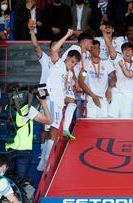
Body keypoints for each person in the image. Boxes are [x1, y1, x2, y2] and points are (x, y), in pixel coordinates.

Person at [28, 19, 61, 172]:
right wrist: (31, 31)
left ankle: (49, 156)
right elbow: (35, 45)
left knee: (53, 126)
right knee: (44, 127)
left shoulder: (62, 64)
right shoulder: (45, 59)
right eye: (53, 46)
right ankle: (43, 156)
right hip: (43, 91)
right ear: (50, 47)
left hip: (56, 95)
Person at [45, 29, 81, 165]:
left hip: (59, 102)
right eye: (71, 61)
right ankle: (49, 161)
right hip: (52, 100)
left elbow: (66, 90)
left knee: (53, 132)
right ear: (66, 58)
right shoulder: (58, 64)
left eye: (75, 63)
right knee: (53, 132)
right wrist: (67, 35)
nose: (72, 64)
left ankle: (46, 161)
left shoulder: (70, 73)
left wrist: (75, 83)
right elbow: (54, 49)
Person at [5, 85, 52, 184]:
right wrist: (43, 102)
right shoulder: (28, 110)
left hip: (9, 148)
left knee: (9, 179)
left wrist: (38, 104)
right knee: (20, 180)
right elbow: (48, 120)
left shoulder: (8, 106)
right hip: (23, 150)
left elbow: (26, 117)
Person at [61, 32, 93, 137]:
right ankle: (64, 130)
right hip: (63, 81)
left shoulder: (84, 54)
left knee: (72, 104)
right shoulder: (74, 49)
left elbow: (75, 69)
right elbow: (68, 65)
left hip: (71, 84)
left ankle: (66, 130)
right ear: (84, 42)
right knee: (66, 105)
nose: (92, 45)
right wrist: (74, 81)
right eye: (91, 43)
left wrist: (76, 82)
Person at [78, 40, 116, 118]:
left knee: (103, 123)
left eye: (98, 48)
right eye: (94, 48)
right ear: (90, 50)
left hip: (104, 98)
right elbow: (81, 82)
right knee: (90, 124)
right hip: (91, 98)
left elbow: (113, 77)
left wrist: (109, 88)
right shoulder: (86, 63)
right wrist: (93, 96)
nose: (97, 50)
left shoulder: (105, 62)